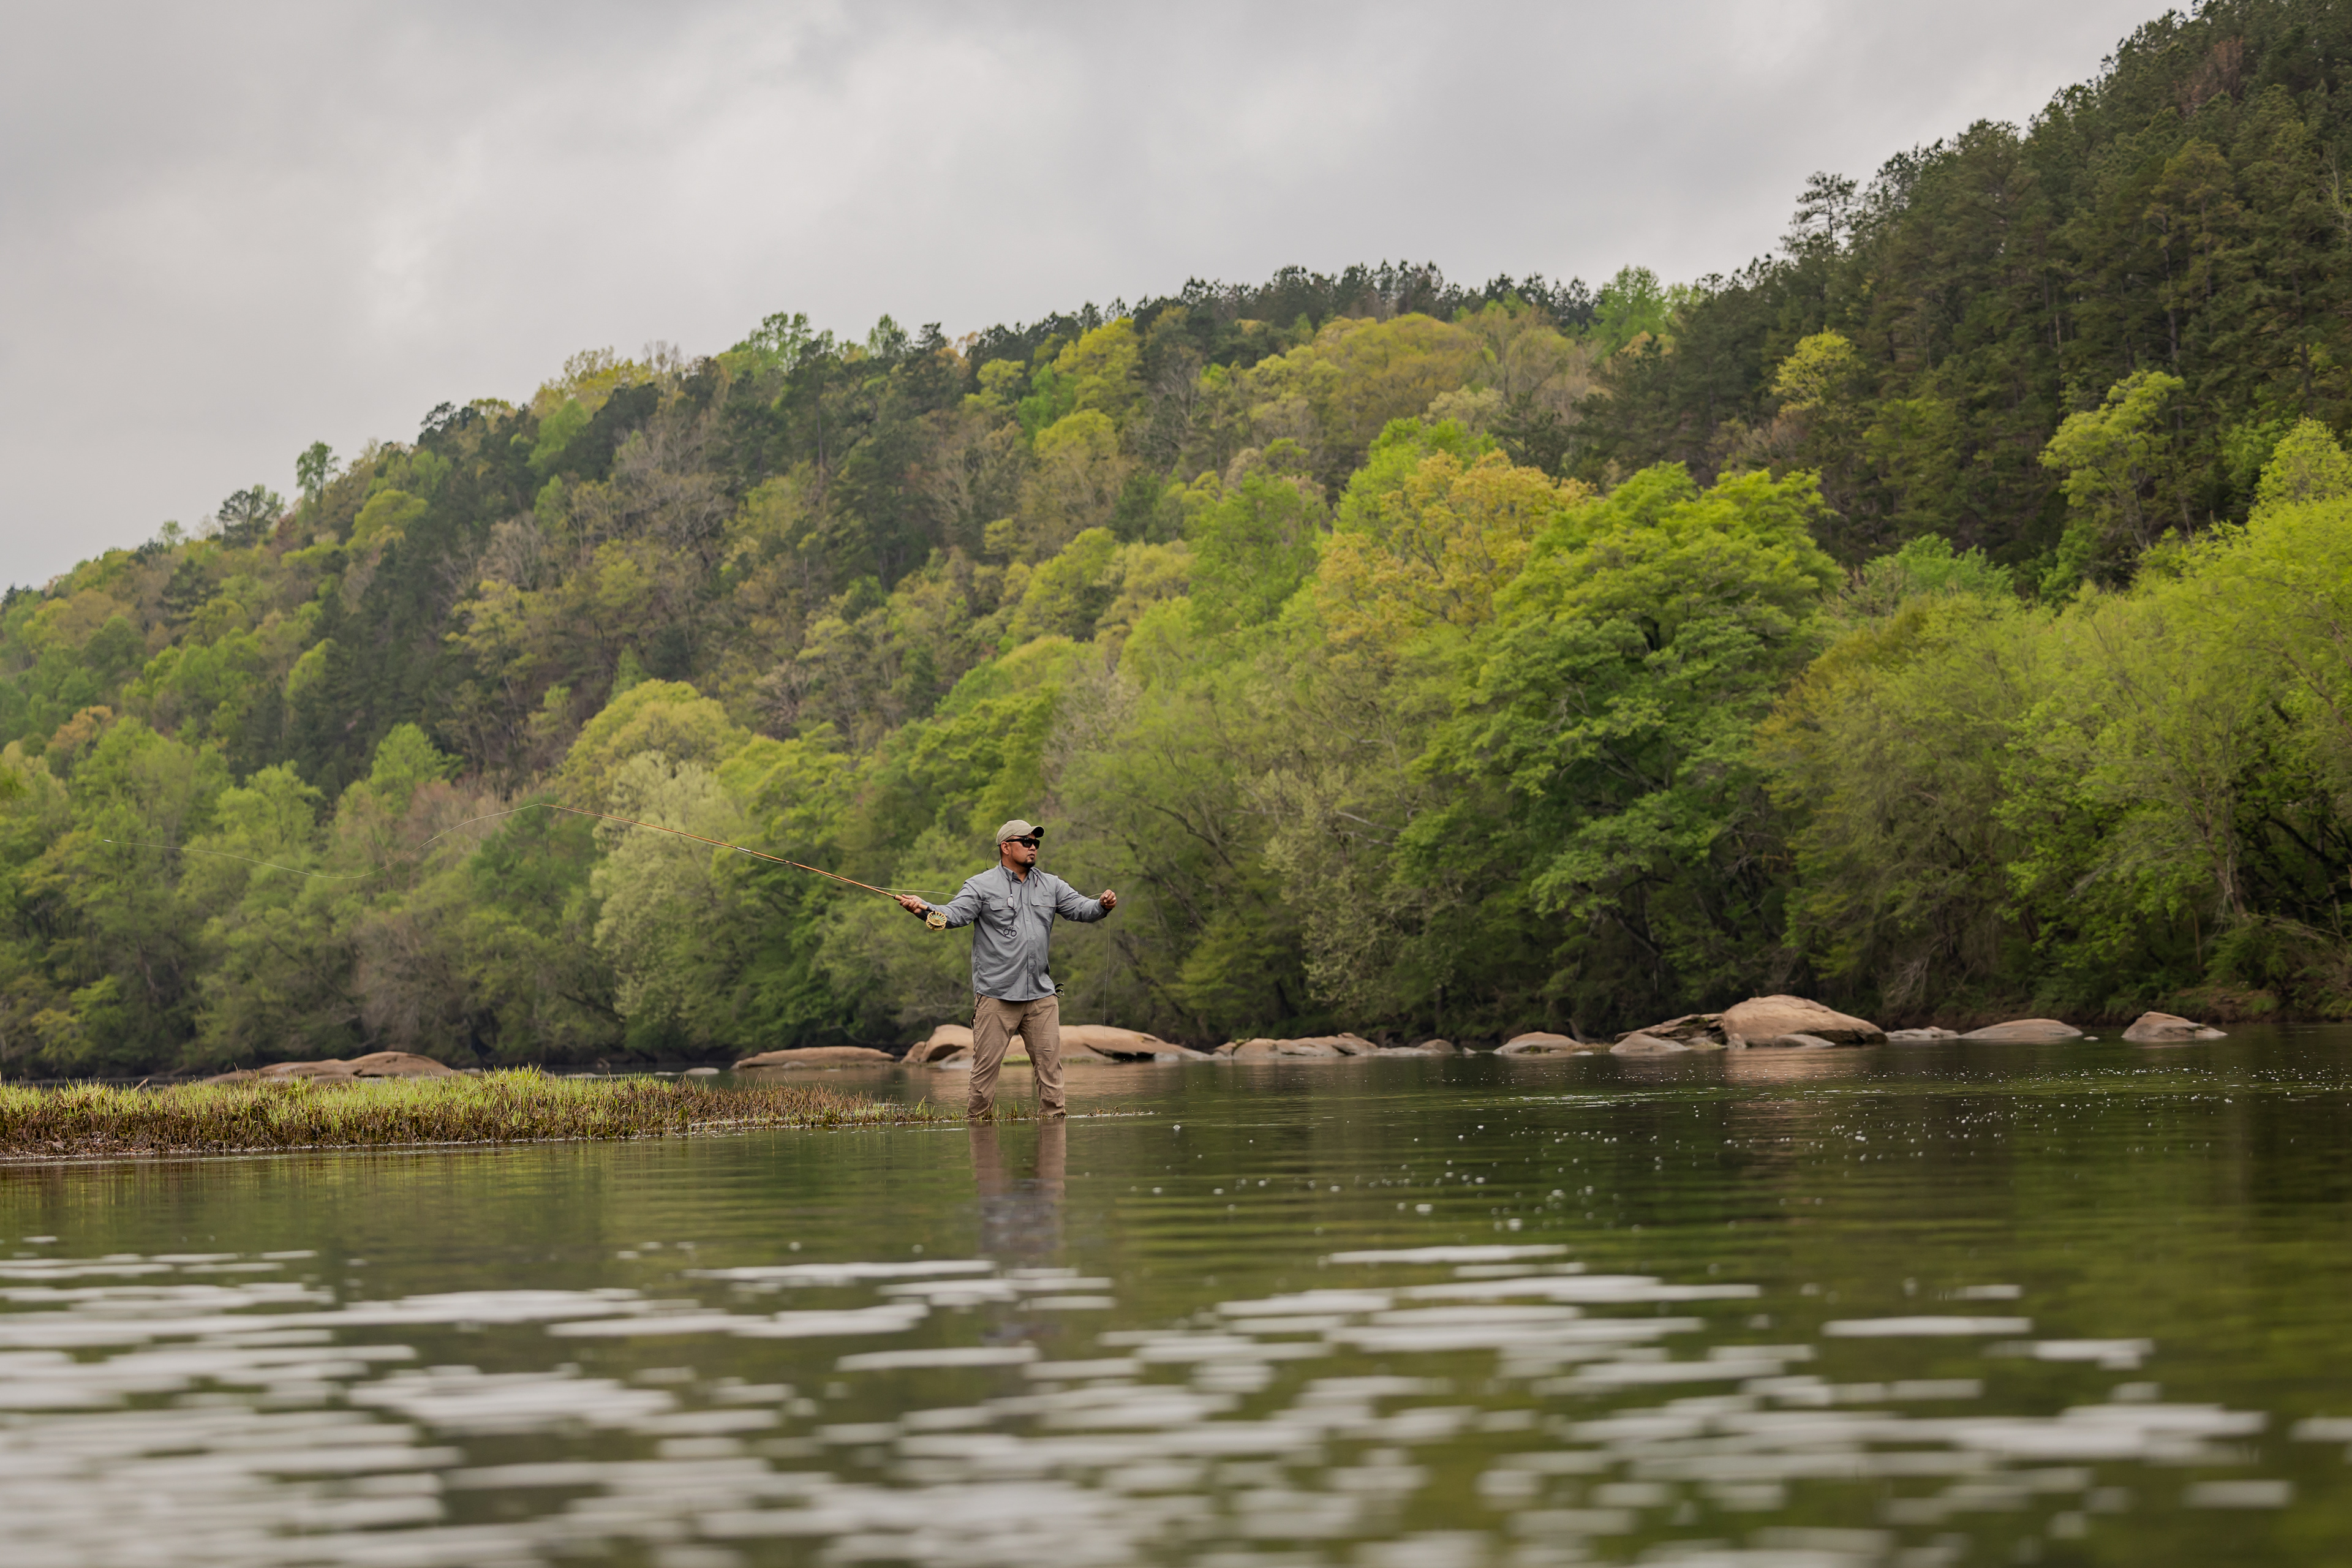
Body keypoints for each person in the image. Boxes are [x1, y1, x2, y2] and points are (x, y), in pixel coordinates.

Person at [896, 818, 1116, 1120]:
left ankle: (1053, 1133)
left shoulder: (1052, 885)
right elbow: (953, 916)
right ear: (1006, 847)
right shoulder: (980, 885)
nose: (1033, 847)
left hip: (1041, 995)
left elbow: (1082, 909)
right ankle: (979, 1131)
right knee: (985, 1072)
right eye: (1026, 841)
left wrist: (1102, 905)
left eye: (1036, 842)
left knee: (1051, 1070)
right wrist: (923, 909)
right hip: (996, 995)